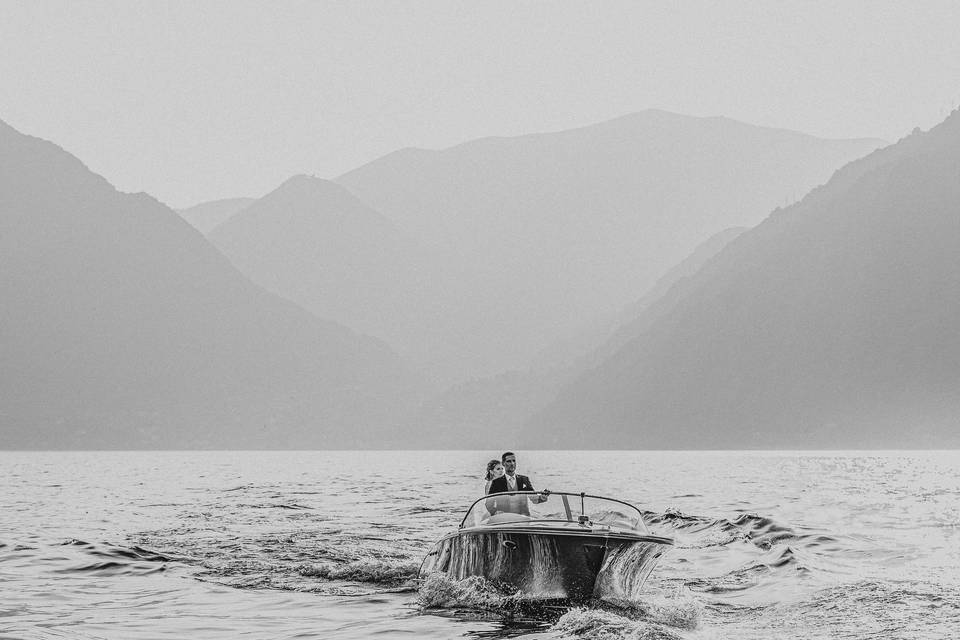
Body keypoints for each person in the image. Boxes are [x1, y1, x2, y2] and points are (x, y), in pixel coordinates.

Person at [486, 451, 548, 516]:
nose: (512, 463)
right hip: (505, 519)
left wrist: (542, 498)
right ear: (503, 463)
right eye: (509, 461)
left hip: (523, 518)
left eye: (514, 461)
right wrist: (495, 512)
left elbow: (534, 499)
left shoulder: (524, 480)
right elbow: (489, 503)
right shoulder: (496, 482)